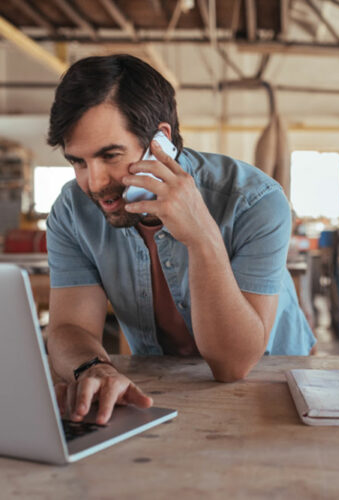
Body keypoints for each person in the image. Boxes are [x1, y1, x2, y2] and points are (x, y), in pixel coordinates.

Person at [45, 54, 315, 426]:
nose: (94, 183)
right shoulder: (71, 211)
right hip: (158, 387)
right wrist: (92, 368)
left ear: (160, 140)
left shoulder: (256, 201)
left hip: (276, 382)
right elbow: (68, 328)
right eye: (78, 162)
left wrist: (202, 237)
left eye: (110, 155)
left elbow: (233, 365)